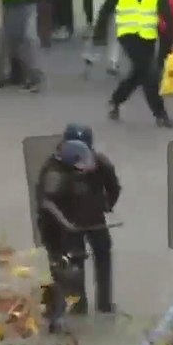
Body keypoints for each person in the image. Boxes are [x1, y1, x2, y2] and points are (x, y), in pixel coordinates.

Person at [103, 0, 173, 127]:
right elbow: (107, 8)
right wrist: (99, 34)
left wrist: (171, 37)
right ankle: (160, 114)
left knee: (138, 73)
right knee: (150, 75)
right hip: (128, 35)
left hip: (147, 36)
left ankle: (116, 100)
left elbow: (167, 13)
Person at [60, 123, 122, 314]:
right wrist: (106, 205)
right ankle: (104, 303)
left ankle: (78, 304)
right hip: (95, 219)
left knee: (75, 261)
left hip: (71, 222)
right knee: (103, 258)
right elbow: (114, 188)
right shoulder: (100, 162)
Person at [37, 139, 96, 332]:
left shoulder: (63, 170)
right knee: (61, 271)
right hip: (56, 231)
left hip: (65, 229)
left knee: (67, 268)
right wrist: (66, 223)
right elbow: (48, 204)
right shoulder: (55, 175)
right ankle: (56, 317)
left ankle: (64, 309)